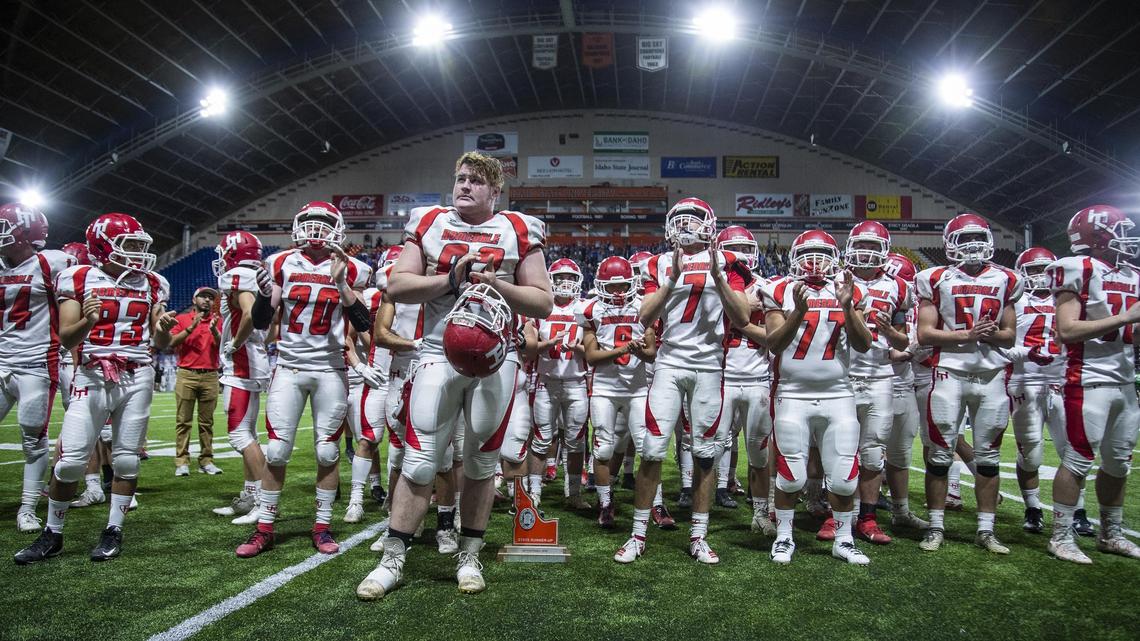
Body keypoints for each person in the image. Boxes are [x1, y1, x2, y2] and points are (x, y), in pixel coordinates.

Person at [357, 152, 551, 599]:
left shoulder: (520, 228)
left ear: (495, 190)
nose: (465, 186)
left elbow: (542, 302)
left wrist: (494, 283)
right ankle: (393, 558)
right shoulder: (428, 221)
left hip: (495, 358)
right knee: (421, 459)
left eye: (476, 181)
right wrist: (450, 280)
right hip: (436, 351)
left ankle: (469, 555)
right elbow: (397, 285)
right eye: (460, 178)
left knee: (482, 462)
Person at [15, 212, 174, 563]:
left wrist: (163, 327)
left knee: (127, 460)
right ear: (103, 245)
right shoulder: (79, 276)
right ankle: (52, 533)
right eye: (128, 244)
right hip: (91, 373)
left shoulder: (151, 283)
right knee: (70, 460)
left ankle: (113, 529)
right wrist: (89, 319)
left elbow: (161, 341)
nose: (136, 252)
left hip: (137, 375)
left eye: (138, 245)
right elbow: (68, 335)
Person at [614, 197, 750, 565]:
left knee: (705, 454)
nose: (687, 226)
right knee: (653, 450)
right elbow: (643, 315)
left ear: (708, 225)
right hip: (669, 363)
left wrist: (719, 277)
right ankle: (638, 534)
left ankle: (699, 536)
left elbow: (742, 314)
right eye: (682, 220)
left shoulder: (729, 261)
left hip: (709, 366)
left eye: (694, 220)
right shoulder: (658, 263)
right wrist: (672, 277)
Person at [235, 201, 373, 558]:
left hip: (330, 368)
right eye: (310, 222)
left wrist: (342, 282)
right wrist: (265, 295)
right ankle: (264, 527)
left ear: (338, 229)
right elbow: (263, 321)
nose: (316, 230)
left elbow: (363, 322)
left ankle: (322, 526)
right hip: (291, 366)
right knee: (277, 450)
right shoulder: (280, 263)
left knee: (327, 451)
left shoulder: (354, 267)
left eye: (323, 223)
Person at [762, 230, 873, 565]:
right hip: (793, 392)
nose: (815, 261)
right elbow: (774, 343)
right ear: (794, 256)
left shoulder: (850, 289)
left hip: (838, 392)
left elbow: (864, 343)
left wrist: (847, 305)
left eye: (822, 253)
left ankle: (844, 539)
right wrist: (797, 311)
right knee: (791, 473)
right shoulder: (778, 288)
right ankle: (783, 537)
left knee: (842, 474)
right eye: (808, 253)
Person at [916, 213, 1021, 554]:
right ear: (950, 243)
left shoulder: (1007, 278)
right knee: (939, 454)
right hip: (949, 370)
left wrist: (988, 337)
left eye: (978, 237)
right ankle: (935, 527)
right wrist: (968, 334)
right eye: (964, 238)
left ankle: (986, 530)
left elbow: (1009, 337)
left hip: (991, 374)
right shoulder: (934, 277)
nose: (973, 245)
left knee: (989, 458)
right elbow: (925, 333)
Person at [1046, 205, 1140, 564]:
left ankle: (1110, 534)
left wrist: (1131, 323)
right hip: (1088, 378)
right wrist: (1126, 317)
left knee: (1118, 463)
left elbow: (1130, 332)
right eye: (1120, 230)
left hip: (1125, 379)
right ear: (1098, 235)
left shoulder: (1132, 274)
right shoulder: (1078, 269)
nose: (1128, 238)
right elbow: (1067, 330)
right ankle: (1061, 536)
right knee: (1078, 459)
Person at [843, 221, 923, 543]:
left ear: (885, 251)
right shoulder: (837, 280)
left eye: (872, 247)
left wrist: (889, 332)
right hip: (843, 374)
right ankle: (841, 517)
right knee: (842, 449)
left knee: (874, 452)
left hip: (879, 375)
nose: (865, 252)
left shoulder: (899, 288)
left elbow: (905, 343)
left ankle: (868, 518)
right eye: (860, 245)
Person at [0, 204, 76, 532]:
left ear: (26, 232)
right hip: (1, 360)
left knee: (33, 437)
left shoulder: (53, 262)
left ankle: (28, 507)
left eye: (6, 226)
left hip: (36, 364)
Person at [582, 256, 657, 528]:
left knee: (649, 448)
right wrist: (624, 350)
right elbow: (591, 356)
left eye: (623, 285)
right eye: (612, 287)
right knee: (603, 448)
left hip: (637, 389)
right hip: (604, 389)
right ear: (601, 285)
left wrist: (640, 351)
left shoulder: (642, 307)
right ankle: (605, 503)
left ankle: (655, 503)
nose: (618, 292)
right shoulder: (591, 310)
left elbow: (651, 353)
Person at [209, 231, 271, 522]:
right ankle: (250, 495)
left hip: (242, 367)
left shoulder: (236, 275)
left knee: (238, 435)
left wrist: (233, 345)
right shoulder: (258, 274)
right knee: (249, 433)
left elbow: (248, 315)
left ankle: (263, 500)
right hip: (254, 363)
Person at [1004, 247, 1064, 534]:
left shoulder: (1067, 300)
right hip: (1025, 380)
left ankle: (1076, 511)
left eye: (1045, 269)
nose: (1040, 276)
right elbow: (1002, 346)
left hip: (1064, 381)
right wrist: (1028, 353)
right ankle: (1033, 507)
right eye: (1034, 269)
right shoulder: (1015, 302)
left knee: (1071, 450)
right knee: (1030, 451)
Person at [171, 286, 222, 476]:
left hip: (210, 374)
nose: (207, 300)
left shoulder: (219, 321)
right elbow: (172, 341)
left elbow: (222, 347)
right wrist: (192, 326)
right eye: (203, 296)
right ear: (194, 300)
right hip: (187, 373)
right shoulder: (182, 319)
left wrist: (215, 331)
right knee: (183, 421)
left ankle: (206, 460)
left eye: (210, 297)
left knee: (206, 422)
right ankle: (182, 461)